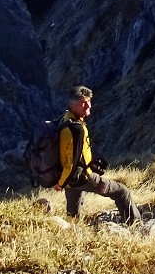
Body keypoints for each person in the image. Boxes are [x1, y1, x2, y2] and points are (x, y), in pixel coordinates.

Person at [53, 85, 143, 225]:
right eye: (83, 103)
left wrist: (64, 181)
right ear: (72, 105)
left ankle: (73, 233)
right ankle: (136, 224)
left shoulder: (65, 119)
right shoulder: (75, 129)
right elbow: (72, 162)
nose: (88, 105)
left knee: (73, 213)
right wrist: (61, 184)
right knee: (121, 191)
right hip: (82, 177)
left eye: (89, 101)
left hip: (72, 180)